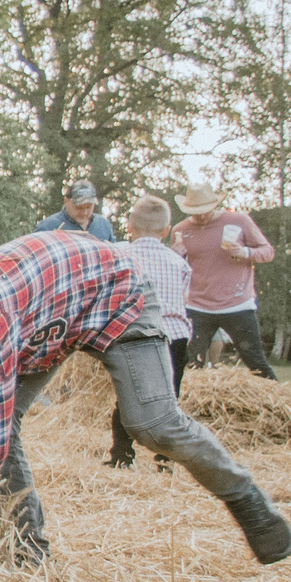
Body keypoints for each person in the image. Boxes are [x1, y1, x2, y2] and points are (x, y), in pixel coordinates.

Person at [0, 234, 291, 567]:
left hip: (116, 295)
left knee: (150, 422)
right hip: (48, 325)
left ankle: (247, 500)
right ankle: (28, 553)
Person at [107, 195, 192, 469]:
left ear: (129, 226)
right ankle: (166, 458)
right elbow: (185, 298)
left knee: (128, 396)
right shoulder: (178, 262)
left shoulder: (120, 254)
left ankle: (122, 454)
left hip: (137, 334)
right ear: (166, 231)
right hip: (175, 335)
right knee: (170, 399)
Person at [170, 185, 278, 378]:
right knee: (188, 364)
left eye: (205, 210)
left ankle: (275, 396)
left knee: (256, 361)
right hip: (198, 305)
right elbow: (179, 270)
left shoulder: (239, 220)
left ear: (215, 205)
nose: (201, 216)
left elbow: (268, 252)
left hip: (238, 303)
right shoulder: (180, 230)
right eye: (195, 212)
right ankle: (183, 397)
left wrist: (245, 252)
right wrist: (175, 257)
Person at [35, 182, 116, 241]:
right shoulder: (48, 227)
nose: (84, 212)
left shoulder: (103, 224)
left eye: (89, 207)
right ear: (66, 201)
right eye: (79, 207)